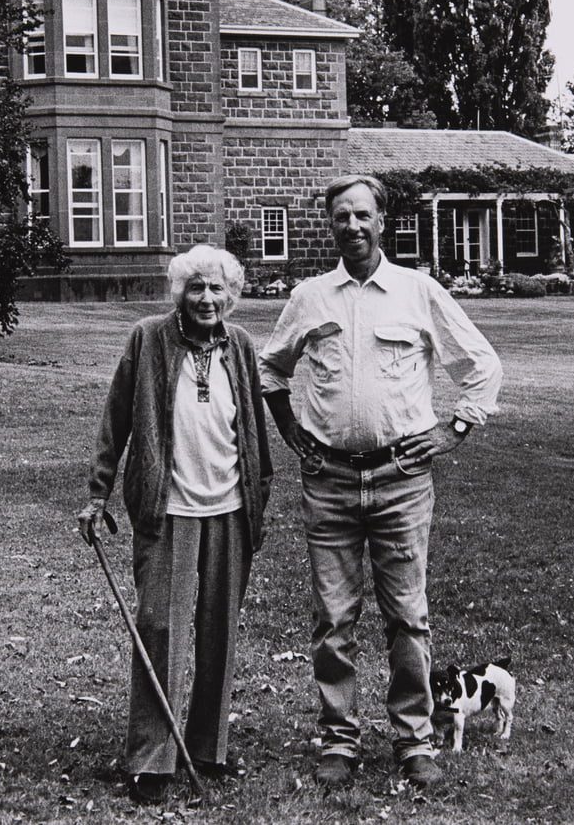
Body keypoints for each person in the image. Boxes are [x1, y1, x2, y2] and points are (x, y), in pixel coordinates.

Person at [258, 175, 503, 790]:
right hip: (330, 482)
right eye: (341, 217)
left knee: (406, 617)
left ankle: (414, 740)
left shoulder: (417, 292)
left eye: (362, 215)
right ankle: (338, 740)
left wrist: (453, 430)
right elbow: (269, 366)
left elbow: (482, 365)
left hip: (402, 479)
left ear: (382, 221)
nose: (353, 227)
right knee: (334, 618)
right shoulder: (311, 296)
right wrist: (291, 430)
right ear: (330, 225)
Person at [77, 244, 273, 805]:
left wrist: (259, 496)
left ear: (230, 296)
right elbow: (115, 418)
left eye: (217, 289)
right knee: (160, 628)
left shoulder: (240, 345)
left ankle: (207, 749)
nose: (207, 298)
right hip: (167, 510)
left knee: (219, 633)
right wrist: (98, 494)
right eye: (196, 287)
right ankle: (151, 759)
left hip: (230, 510)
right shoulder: (147, 338)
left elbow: (255, 428)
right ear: (179, 292)